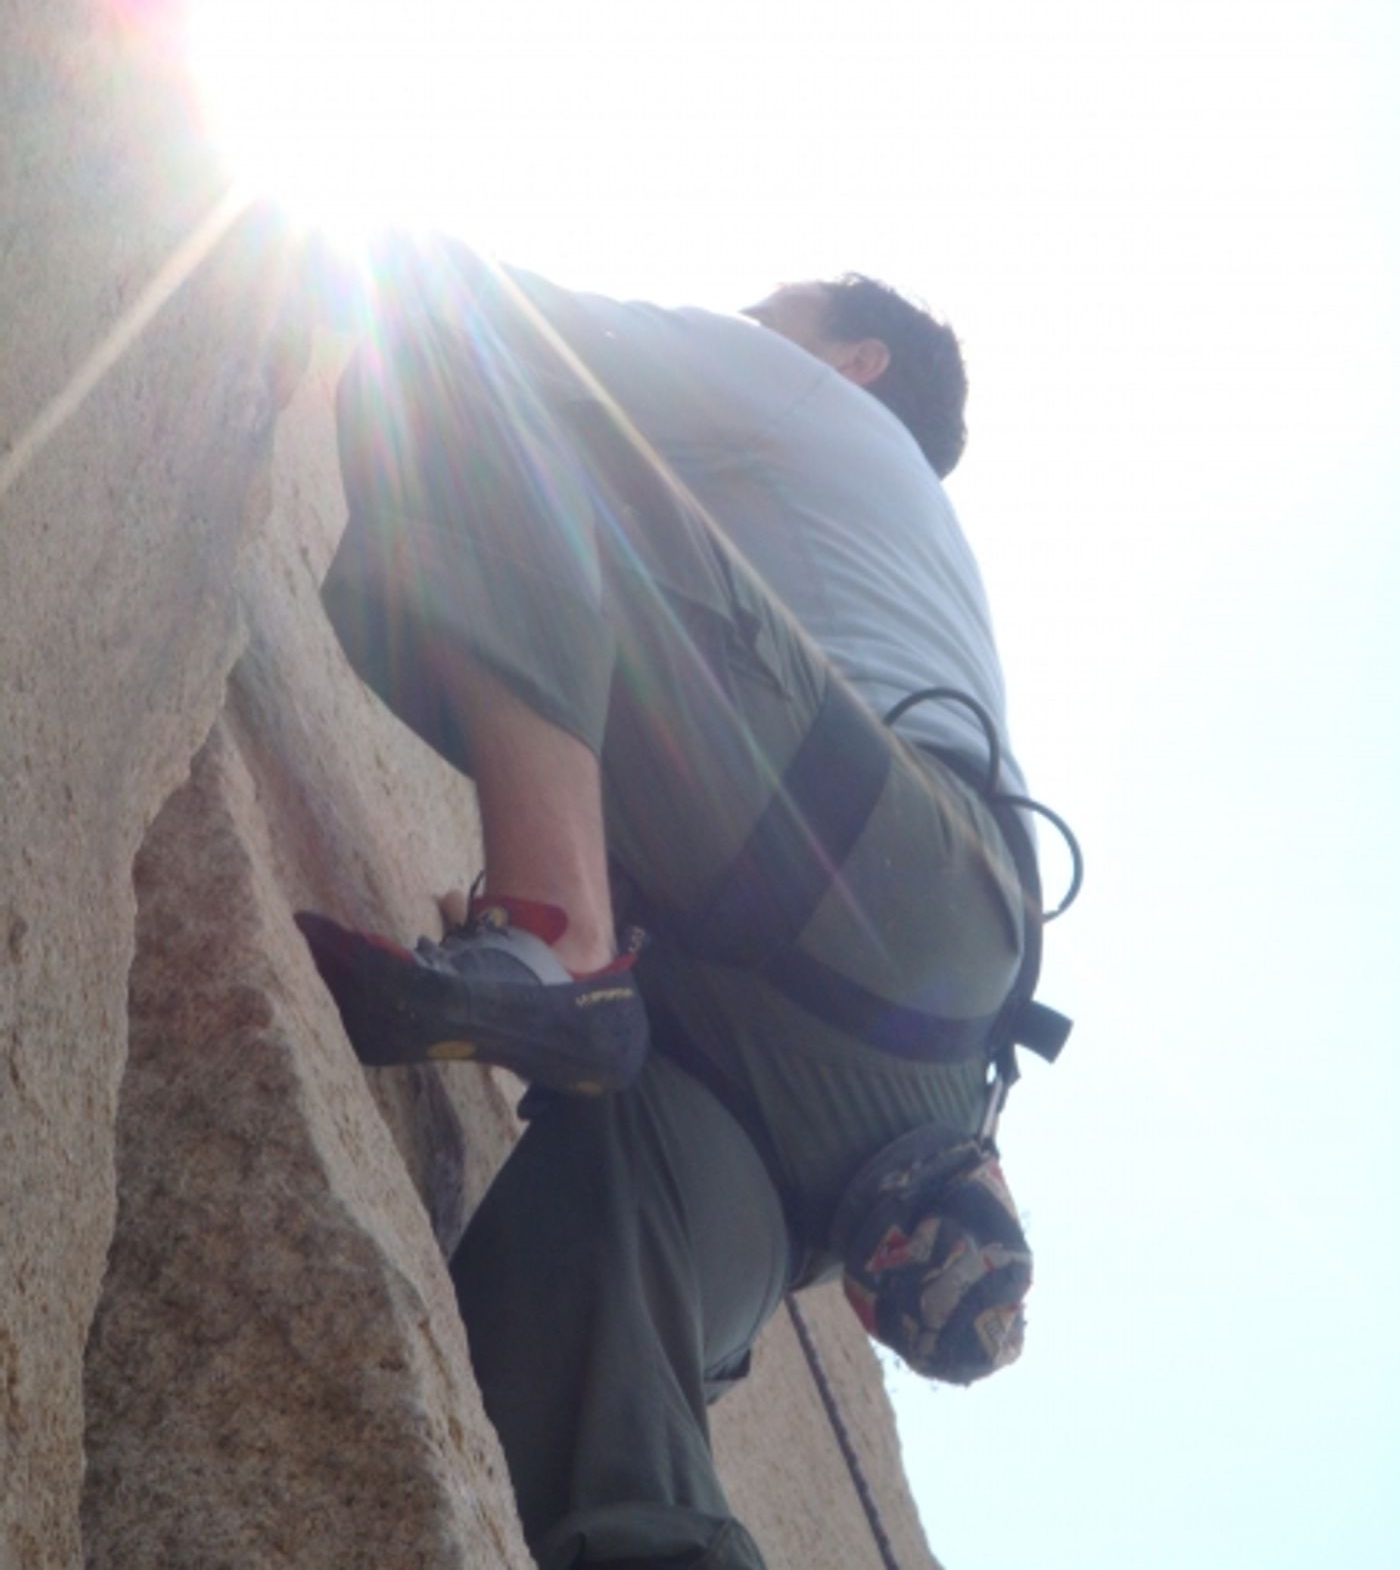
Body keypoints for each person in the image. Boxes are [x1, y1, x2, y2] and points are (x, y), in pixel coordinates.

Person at [298, 243, 1045, 1570]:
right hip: (862, 1093)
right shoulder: (868, 552)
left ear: (855, 360)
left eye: (775, 316)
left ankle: (554, 936)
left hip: (882, 898)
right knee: (561, 1382)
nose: (750, 326)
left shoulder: (811, 403)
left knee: (446, 368)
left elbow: (463, 300)